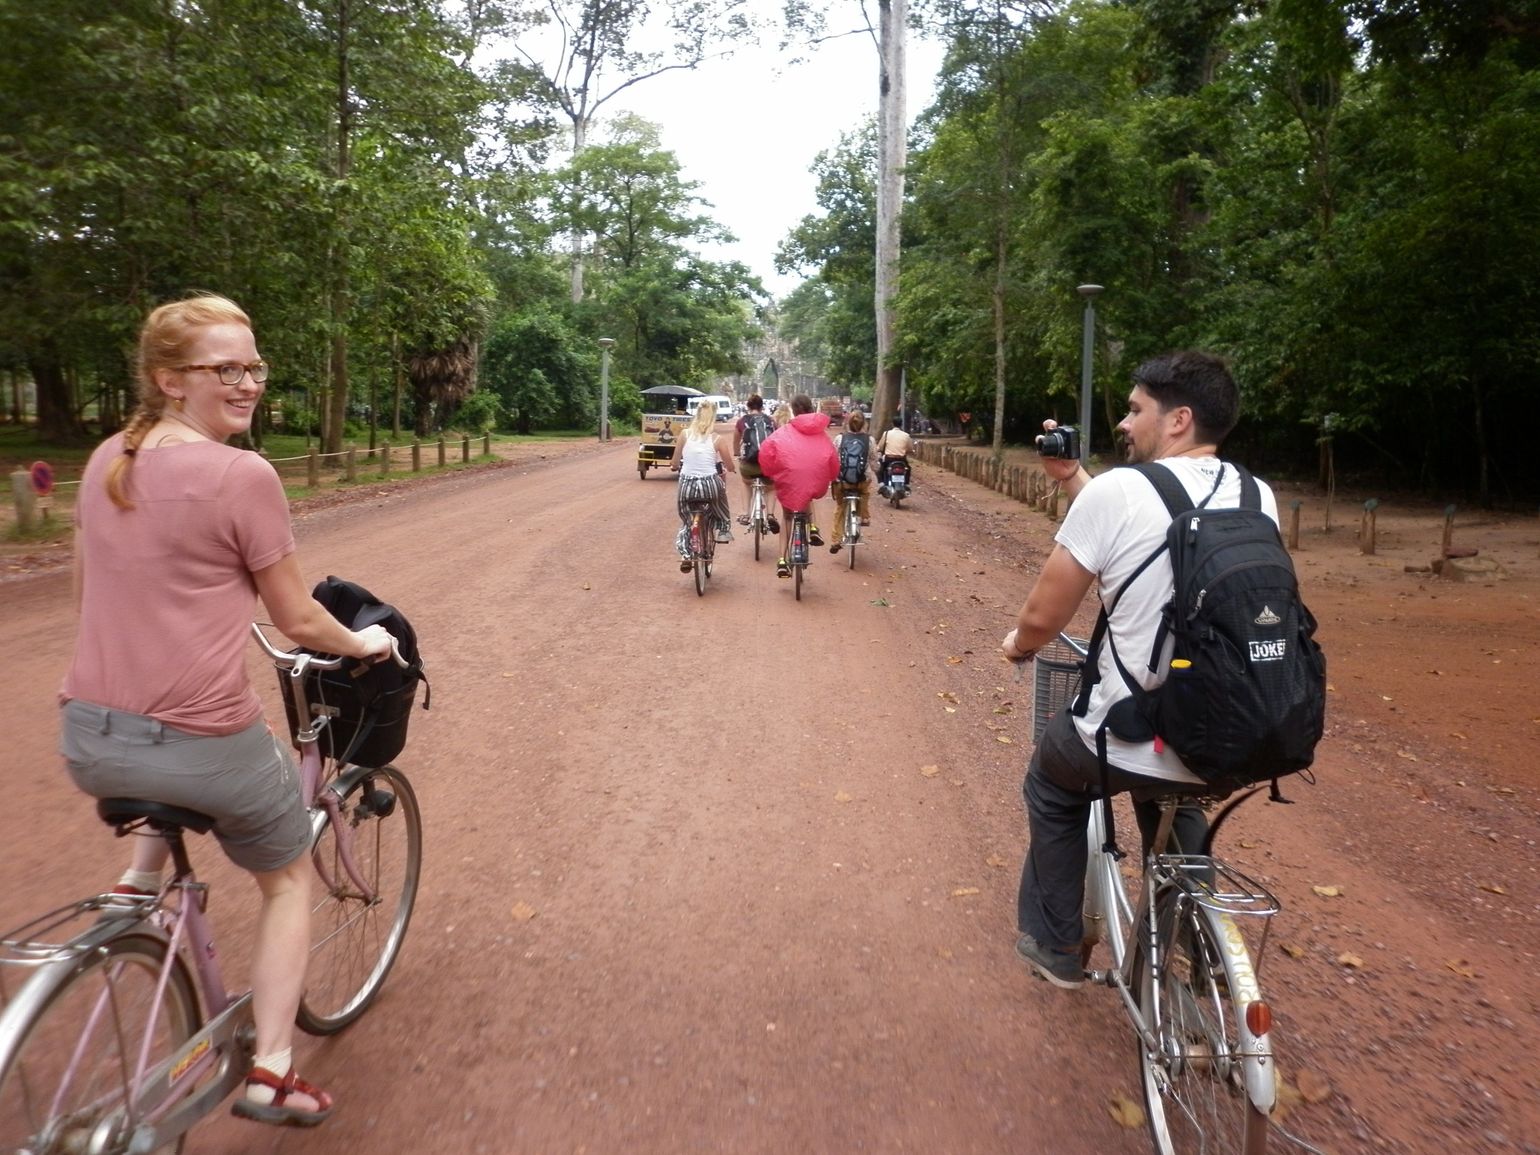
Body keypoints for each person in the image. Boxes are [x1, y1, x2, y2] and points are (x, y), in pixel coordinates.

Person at [60, 294, 396, 1125]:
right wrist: (366, 646)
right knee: (284, 881)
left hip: (89, 734)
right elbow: (299, 621)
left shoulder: (108, 458)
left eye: (254, 366)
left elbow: (93, 593)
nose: (247, 383)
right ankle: (273, 1070)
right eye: (225, 369)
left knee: (153, 753)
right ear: (169, 379)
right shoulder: (242, 474)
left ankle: (136, 883)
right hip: (201, 740)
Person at [1000, 351, 1278, 990]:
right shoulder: (1255, 493)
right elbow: (1157, 525)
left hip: (1128, 728)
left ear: (1177, 419)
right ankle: (1199, 941)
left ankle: (1056, 945)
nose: (1124, 423)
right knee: (1176, 797)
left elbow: (1045, 616)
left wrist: (1017, 645)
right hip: (1225, 730)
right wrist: (1076, 479)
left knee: (1054, 783)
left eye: (1134, 410)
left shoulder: (1116, 492)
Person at [756, 394, 839, 578]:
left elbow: (766, 451)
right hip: (814, 480)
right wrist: (831, 477)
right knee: (807, 494)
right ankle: (813, 528)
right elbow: (833, 459)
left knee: (787, 517)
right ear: (811, 408)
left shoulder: (783, 432)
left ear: (793, 410)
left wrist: (771, 472)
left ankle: (782, 560)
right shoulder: (822, 435)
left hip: (789, 479)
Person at [669, 396, 736, 571]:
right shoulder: (717, 439)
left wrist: (674, 466)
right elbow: (729, 465)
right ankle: (722, 529)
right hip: (709, 484)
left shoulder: (684, 435)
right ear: (713, 417)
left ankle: (686, 554)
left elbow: (675, 462)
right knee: (721, 501)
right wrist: (731, 468)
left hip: (687, 485)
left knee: (687, 520)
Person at [732, 393, 780, 535]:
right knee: (771, 487)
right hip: (768, 465)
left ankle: (746, 513)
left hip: (749, 464)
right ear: (762, 406)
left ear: (748, 406)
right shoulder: (770, 421)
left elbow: (736, 442)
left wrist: (736, 453)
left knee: (746, 482)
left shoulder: (742, 421)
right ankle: (770, 514)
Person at [828, 409, 873, 554]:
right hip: (861, 480)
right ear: (863, 424)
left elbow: (833, 459)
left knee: (840, 507)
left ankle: (836, 540)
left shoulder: (840, 439)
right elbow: (874, 460)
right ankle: (864, 516)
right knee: (865, 493)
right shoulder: (869, 440)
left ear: (848, 423)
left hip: (843, 481)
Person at [874, 417, 913, 491]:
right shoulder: (906, 435)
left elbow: (880, 447)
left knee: (880, 469)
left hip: (889, 459)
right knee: (908, 469)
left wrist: (878, 449)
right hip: (901, 459)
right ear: (901, 424)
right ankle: (907, 484)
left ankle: (882, 485)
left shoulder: (886, 434)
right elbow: (910, 448)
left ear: (892, 424)